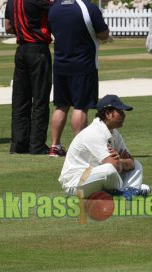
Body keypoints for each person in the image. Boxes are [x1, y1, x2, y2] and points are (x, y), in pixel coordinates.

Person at [48, 0, 110, 157]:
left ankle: (54, 145)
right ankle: (80, 147)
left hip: (61, 62)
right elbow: (104, 34)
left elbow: (52, 31)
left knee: (61, 105)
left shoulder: (54, 8)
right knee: (80, 106)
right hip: (83, 63)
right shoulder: (88, 8)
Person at [59, 94, 151, 199]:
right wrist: (120, 162)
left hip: (96, 177)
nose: (124, 115)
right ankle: (123, 190)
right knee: (108, 169)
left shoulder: (114, 133)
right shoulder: (94, 133)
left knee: (137, 164)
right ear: (108, 114)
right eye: (120, 112)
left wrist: (119, 160)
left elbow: (130, 162)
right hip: (76, 183)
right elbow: (114, 166)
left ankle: (130, 191)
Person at [4, 0, 53, 155]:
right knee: (40, 99)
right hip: (37, 48)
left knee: (20, 100)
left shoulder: (11, 2)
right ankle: (37, 145)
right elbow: (57, 11)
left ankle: (18, 144)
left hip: (21, 50)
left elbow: (8, 27)